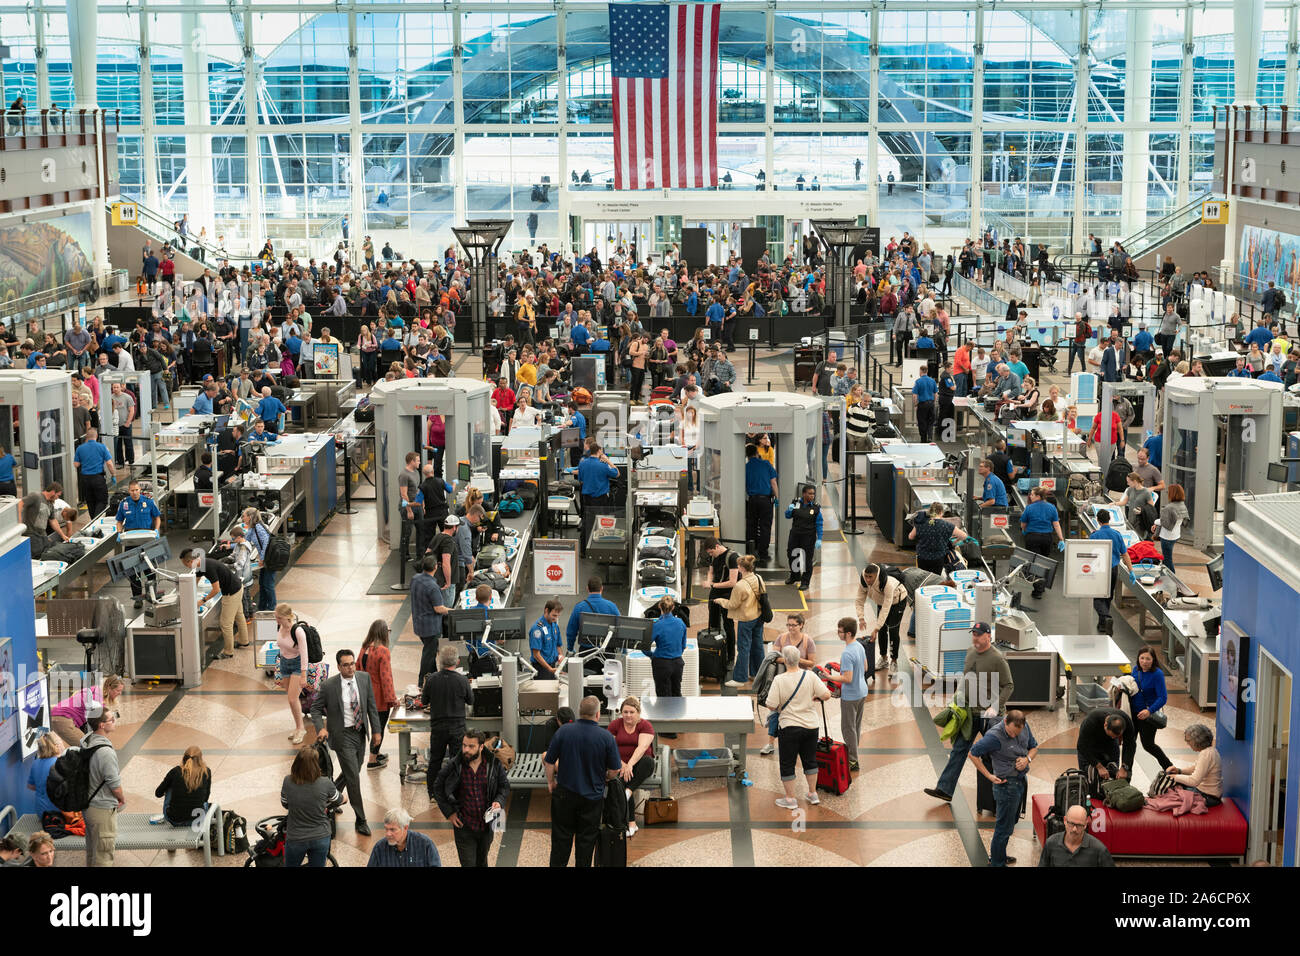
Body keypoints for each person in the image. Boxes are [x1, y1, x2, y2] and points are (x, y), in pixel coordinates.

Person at [924, 623, 1014, 803]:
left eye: (978, 635)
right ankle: (945, 789)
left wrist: (996, 706)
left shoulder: (997, 659)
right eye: (973, 634)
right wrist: (958, 698)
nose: (975, 637)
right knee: (959, 749)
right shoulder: (970, 651)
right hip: (970, 712)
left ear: (988, 636)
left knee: (994, 754)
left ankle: (999, 796)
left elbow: (1009, 685)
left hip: (990, 717)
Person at [310, 648, 383, 836]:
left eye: (352, 664)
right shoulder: (329, 686)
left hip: (360, 734)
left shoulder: (364, 679)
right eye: (346, 665)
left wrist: (376, 731)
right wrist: (321, 728)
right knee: (354, 778)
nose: (350, 668)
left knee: (354, 770)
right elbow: (315, 709)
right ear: (339, 666)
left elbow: (372, 707)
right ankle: (361, 819)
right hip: (342, 736)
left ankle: (332, 794)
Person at [544, 695, 622, 867]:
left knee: (560, 842)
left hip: (564, 795)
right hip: (592, 799)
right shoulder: (606, 737)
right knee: (586, 844)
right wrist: (607, 777)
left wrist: (551, 782)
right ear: (597, 714)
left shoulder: (563, 731)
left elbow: (549, 761)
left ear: (579, 712)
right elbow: (615, 770)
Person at [765, 645, 833, 810]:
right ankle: (812, 794)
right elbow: (826, 695)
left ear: (785, 661)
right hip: (810, 726)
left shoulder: (779, 680)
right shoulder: (809, 676)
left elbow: (771, 705)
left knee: (788, 762)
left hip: (789, 727)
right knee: (810, 760)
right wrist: (813, 697)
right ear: (798, 660)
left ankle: (790, 799)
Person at [969, 710, 1038, 866]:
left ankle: (998, 855)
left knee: (1010, 823)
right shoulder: (993, 737)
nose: (1014, 736)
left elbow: (1034, 748)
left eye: (1017, 733)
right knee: (1003, 828)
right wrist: (989, 776)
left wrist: (1027, 759)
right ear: (1006, 721)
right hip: (1006, 787)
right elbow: (973, 754)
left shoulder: (1024, 727)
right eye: (1011, 732)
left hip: (1020, 781)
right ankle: (997, 862)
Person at [821, 617, 872, 772]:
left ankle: (853, 760)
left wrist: (828, 677)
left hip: (850, 696)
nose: (838, 633)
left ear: (848, 633)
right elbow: (865, 668)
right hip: (862, 691)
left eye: (840, 631)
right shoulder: (859, 646)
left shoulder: (847, 653)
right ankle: (853, 753)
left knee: (847, 728)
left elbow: (847, 678)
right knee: (856, 726)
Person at [179, 547, 249, 658]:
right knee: (239, 615)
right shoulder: (200, 564)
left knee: (225, 623)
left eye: (185, 564)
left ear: (190, 561)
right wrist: (188, 594)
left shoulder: (208, 567)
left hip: (231, 592)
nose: (186, 567)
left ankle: (228, 652)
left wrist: (202, 601)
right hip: (237, 586)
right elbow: (195, 583)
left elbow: (216, 590)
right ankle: (244, 641)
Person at [280, 745, 343, 867]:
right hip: (320, 836)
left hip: (295, 838)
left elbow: (285, 804)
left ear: (297, 763)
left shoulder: (287, 781)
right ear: (316, 764)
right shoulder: (325, 783)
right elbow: (338, 799)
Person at [82, 705, 125, 867]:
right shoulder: (105, 752)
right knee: (103, 857)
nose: (114, 722)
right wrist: (121, 798)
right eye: (111, 719)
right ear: (102, 725)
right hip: (101, 809)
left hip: (88, 805)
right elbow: (114, 784)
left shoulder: (87, 742)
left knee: (93, 852)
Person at [421, 644, 473, 776]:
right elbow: (471, 701)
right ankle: (453, 792)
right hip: (457, 728)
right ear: (457, 662)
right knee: (456, 761)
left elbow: (424, 702)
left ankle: (433, 793)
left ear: (440, 661)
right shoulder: (463, 680)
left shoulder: (431, 679)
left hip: (438, 728)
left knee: (435, 761)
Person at [608, 697, 656, 836]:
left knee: (647, 761)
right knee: (621, 783)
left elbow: (642, 747)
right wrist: (622, 764)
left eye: (631, 712)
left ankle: (628, 793)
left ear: (638, 712)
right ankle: (631, 823)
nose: (628, 715)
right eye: (625, 712)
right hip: (620, 765)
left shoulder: (645, 725)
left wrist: (629, 765)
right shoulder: (615, 725)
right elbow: (610, 748)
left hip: (640, 765)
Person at [717, 554, 765, 688]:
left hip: (746, 619)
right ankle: (757, 674)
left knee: (744, 647)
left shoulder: (740, 585)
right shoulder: (758, 578)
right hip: (758, 616)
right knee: (758, 645)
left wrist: (720, 601)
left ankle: (740, 678)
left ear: (741, 568)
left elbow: (732, 604)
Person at [1086, 509, 1134, 634]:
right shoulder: (1117, 534)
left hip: (1099, 570)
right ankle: (1103, 624)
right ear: (1109, 519)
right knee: (1108, 596)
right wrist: (1131, 571)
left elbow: (1089, 555)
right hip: (1113, 569)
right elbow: (1125, 554)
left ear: (1098, 520)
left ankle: (1106, 617)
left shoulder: (1094, 535)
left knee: (1096, 598)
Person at [115, 480, 162, 609]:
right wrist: (119, 533)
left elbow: (157, 517)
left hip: (147, 539)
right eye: (132, 490)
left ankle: (151, 594)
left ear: (140, 490)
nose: (135, 493)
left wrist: (156, 530)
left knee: (150, 569)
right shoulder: (124, 504)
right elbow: (119, 521)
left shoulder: (149, 502)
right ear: (129, 491)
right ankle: (138, 598)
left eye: (136, 490)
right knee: (133, 571)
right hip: (131, 541)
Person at [359, 620, 397, 770]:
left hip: (366, 691)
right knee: (379, 726)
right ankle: (372, 759)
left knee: (375, 724)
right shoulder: (383, 651)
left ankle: (377, 752)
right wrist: (392, 699)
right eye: (388, 630)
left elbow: (357, 668)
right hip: (379, 696)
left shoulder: (364, 648)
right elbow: (386, 678)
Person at [856, 563, 909, 671]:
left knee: (893, 630)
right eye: (866, 576)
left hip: (897, 601)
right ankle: (884, 659)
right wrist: (861, 618)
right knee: (882, 630)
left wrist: (876, 628)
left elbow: (886, 608)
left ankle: (894, 662)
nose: (867, 579)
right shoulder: (863, 581)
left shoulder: (888, 584)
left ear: (876, 575)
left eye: (870, 577)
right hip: (881, 600)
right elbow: (859, 600)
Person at [49, 675, 125, 747]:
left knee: (87, 744)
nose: (120, 693)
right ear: (109, 688)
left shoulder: (95, 690)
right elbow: (96, 725)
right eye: (118, 690)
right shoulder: (97, 699)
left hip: (60, 713)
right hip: (62, 718)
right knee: (87, 746)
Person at [273, 604, 311, 745]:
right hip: (284, 664)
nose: (276, 620)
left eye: (279, 617)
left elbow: (304, 654)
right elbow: (281, 647)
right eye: (276, 617)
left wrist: (303, 675)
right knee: (291, 698)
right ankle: (297, 727)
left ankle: (301, 728)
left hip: (297, 664)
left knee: (292, 698)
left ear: (287, 617)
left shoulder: (298, 631)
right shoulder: (280, 627)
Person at [1076, 708, 1137, 795]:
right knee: (1087, 780)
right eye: (1111, 735)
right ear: (1105, 725)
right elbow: (1081, 746)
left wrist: (1124, 767)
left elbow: (1131, 745)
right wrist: (1099, 766)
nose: (1113, 737)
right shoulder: (1092, 720)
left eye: (1116, 737)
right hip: (1090, 744)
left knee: (1114, 772)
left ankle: (1115, 798)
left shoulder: (1126, 721)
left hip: (1110, 745)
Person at [1019, 486, 1065, 598]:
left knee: (1035, 563)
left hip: (1032, 538)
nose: (1030, 496)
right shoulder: (1052, 508)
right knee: (1044, 562)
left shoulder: (1029, 508)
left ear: (1038, 496)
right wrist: (1061, 539)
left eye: (1033, 494)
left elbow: (1023, 524)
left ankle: (1038, 590)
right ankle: (1041, 585)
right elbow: (1056, 524)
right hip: (1047, 538)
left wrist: (1025, 531)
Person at [411, 555, 451, 685]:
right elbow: (439, 608)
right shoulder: (433, 586)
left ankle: (434, 677)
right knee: (428, 654)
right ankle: (421, 681)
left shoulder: (415, 579)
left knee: (430, 651)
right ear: (436, 567)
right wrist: (453, 611)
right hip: (431, 627)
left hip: (419, 623)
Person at [152, 745, 212, 828]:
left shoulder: (175, 771)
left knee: (170, 786)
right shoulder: (206, 772)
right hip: (197, 819)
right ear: (200, 759)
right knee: (202, 800)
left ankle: (177, 810)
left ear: (184, 757)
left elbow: (158, 793)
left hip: (175, 819)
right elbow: (206, 798)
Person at [1038, 804, 1116, 867]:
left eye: (1079, 825)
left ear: (1085, 825)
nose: (1074, 829)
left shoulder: (1099, 850)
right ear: (1065, 820)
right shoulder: (1051, 843)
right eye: (1071, 824)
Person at [741, 443, 779, 567]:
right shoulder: (766, 464)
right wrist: (777, 498)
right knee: (765, 526)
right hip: (766, 500)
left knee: (751, 525)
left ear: (746, 455)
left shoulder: (745, 467)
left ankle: (751, 551)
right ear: (757, 453)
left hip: (752, 500)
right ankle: (763, 553)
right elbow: (773, 482)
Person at [780, 482, 823, 590]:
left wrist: (820, 539)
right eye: (810, 494)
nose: (812, 496)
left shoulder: (816, 508)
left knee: (807, 560)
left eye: (813, 494)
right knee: (792, 555)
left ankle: (805, 582)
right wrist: (789, 510)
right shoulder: (795, 503)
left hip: (808, 536)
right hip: (795, 534)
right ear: (804, 494)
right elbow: (787, 516)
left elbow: (819, 524)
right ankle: (795, 576)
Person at [1167, 723, 1222, 806]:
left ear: (1197, 740)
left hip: (1208, 797)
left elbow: (1194, 781)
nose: (1188, 744)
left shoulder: (1206, 754)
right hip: (1208, 794)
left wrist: (1174, 777)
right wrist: (1179, 771)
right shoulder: (1210, 751)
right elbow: (1195, 768)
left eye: (1188, 741)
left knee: (1171, 790)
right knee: (1176, 786)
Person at [367, 806, 441, 867]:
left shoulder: (425, 844)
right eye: (386, 829)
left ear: (405, 828)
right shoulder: (379, 848)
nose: (388, 834)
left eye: (392, 830)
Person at [565, 576, 621, 654]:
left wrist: (570, 648)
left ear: (587, 588)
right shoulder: (611, 606)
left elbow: (571, 631)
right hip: (607, 653)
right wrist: (623, 650)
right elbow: (620, 628)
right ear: (602, 588)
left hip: (586, 653)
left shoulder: (579, 607)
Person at [909, 501, 967, 575]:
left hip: (922, 556)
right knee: (936, 578)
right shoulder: (946, 525)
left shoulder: (921, 523)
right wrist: (954, 542)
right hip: (938, 558)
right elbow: (964, 536)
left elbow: (910, 537)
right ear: (941, 512)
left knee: (923, 578)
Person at [73, 425, 116, 519]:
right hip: (98, 479)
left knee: (90, 501)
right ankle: (96, 520)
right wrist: (113, 474)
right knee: (102, 501)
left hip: (85, 480)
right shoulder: (102, 447)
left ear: (86, 437)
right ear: (96, 436)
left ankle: (93, 520)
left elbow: (76, 464)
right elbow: (109, 464)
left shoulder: (80, 448)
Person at [649, 594, 687, 698]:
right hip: (678, 663)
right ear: (673, 607)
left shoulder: (657, 625)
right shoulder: (680, 622)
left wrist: (651, 655)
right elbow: (683, 645)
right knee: (676, 694)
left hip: (661, 663)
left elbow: (644, 645)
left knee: (663, 696)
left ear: (659, 606)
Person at [26, 732, 65, 820]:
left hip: (41, 813)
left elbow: (31, 786)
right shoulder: (60, 764)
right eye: (61, 742)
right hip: (58, 815)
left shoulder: (36, 763)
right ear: (57, 746)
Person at [1154, 483, 1188, 571]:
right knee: (1167, 557)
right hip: (1175, 535)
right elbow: (1184, 520)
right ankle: (1166, 575)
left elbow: (1164, 522)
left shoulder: (1169, 508)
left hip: (1167, 536)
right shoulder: (1182, 505)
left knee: (1167, 559)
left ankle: (1172, 577)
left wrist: (1155, 522)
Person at [529, 598, 565, 678]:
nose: (555, 618)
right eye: (554, 615)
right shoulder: (537, 629)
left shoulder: (554, 626)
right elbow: (536, 654)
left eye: (558, 616)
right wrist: (549, 669)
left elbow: (558, 645)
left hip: (553, 666)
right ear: (546, 610)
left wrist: (561, 658)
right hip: (541, 668)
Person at [912, 362, 938, 443]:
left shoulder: (918, 382)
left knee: (922, 421)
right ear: (927, 371)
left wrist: (915, 404)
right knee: (930, 422)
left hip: (922, 404)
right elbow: (936, 394)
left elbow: (915, 395)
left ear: (921, 371)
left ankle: (923, 438)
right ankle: (930, 437)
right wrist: (933, 402)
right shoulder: (932, 381)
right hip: (931, 404)